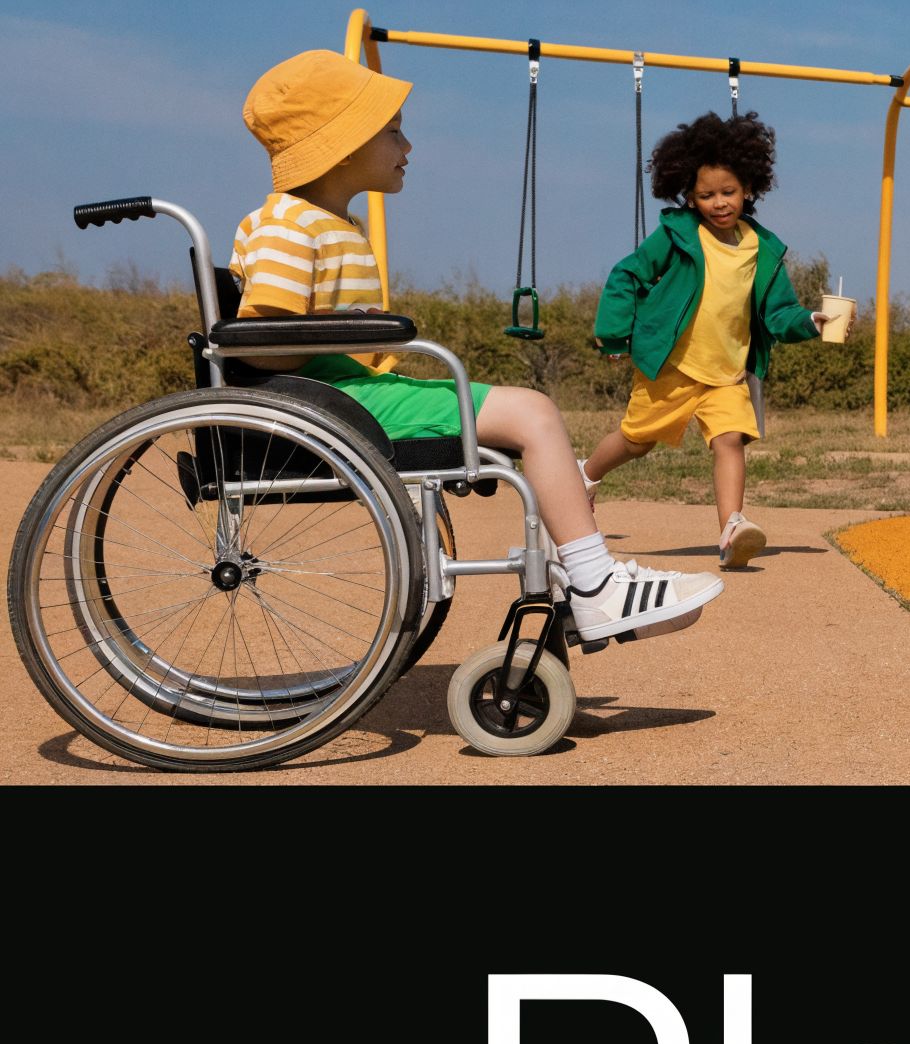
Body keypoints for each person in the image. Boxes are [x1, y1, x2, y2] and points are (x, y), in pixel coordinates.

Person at [231, 50, 718, 643]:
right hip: (330, 402)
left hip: (349, 392)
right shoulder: (289, 225)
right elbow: (258, 344)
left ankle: (584, 577)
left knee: (526, 409)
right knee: (532, 413)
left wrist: (356, 335)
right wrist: (358, 334)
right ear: (345, 144)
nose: (407, 146)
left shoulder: (324, 223)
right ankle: (595, 584)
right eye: (393, 131)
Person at [585, 111, 829, 570]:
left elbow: (779, 312)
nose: (718, 203)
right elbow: (627, 274)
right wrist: (614, 333)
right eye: (706, 195)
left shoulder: (764, 249)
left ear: (750, 189)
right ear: (690, 197)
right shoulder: (678, 235)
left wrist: (811, 321)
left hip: (726, 373)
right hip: (673, 366)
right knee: (638, 441)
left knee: (729, 440)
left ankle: (732, 527)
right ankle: (586, 476)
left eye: (728, 192)